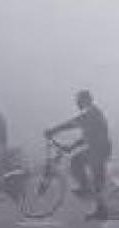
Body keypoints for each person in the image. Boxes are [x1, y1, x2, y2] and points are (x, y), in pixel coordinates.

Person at [44, 90, 111, 221]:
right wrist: (72, 146)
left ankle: (89, 192)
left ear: (85, 100)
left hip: (99, 150)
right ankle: (97, 204)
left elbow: (72, 123)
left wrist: (53, 130)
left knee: (90, 175)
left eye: (78, 101)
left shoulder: (90, 113)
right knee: (78, 164)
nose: (77, 103)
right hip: (96, 148)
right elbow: (88, 137)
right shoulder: (91, 113)